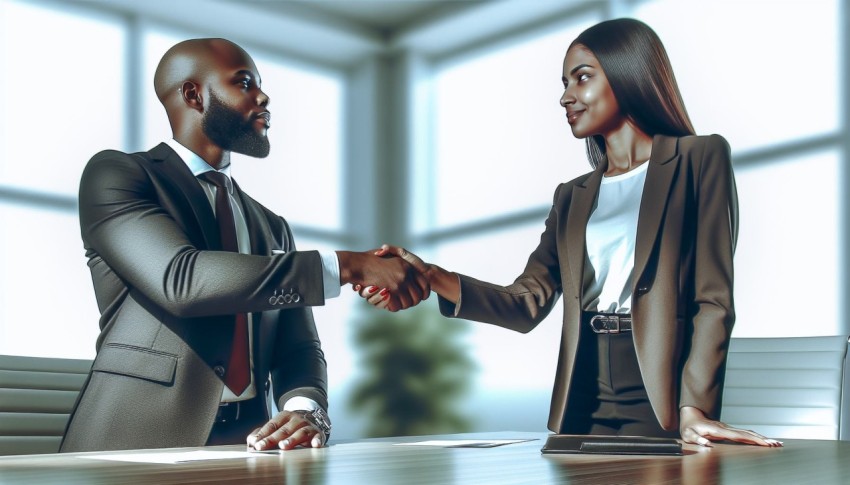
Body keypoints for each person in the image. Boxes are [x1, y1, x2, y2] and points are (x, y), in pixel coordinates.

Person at [357, 18, 782, 447]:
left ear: (627, 73)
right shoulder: (572, 197)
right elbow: (525, 303)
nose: (566, 97)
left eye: (582, 78)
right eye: (565, 83)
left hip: (660, 394)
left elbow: (712, 300)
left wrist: (696, 409)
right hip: (583, 395)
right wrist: (430, 277)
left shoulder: (699, 158)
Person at [60, 38, 428, 453]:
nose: (264, 96)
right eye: (245, 83)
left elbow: (298, 346)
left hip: (250, 447)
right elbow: (181, 280)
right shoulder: (118, 175)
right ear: (193, 94)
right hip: (130, 447)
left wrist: (305, 409)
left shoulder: (272, 227)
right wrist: (347, 266)